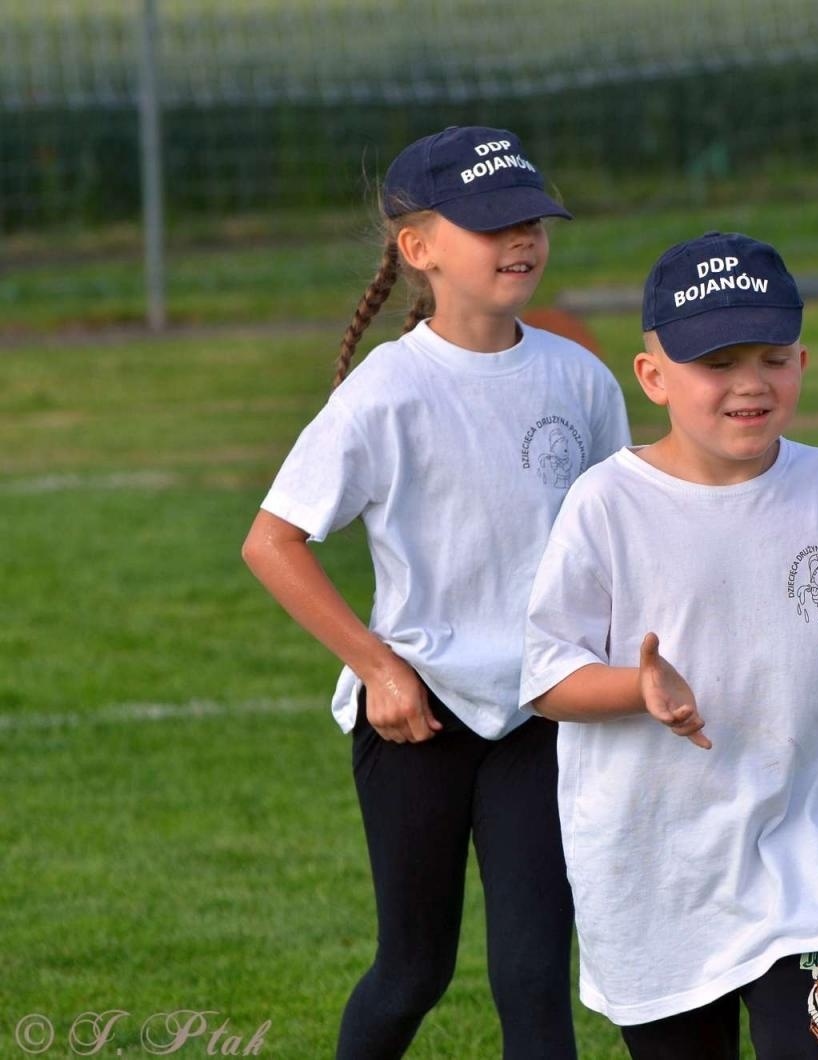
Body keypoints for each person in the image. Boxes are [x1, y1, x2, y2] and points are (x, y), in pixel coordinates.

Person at [241, 125, 630, 1059]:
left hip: (544, 714)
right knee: (414, 972)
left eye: (531, 218)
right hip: (416, 721)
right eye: (491, 223)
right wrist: (378, 668)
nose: (521, 238)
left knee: (535, 982)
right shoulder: (388, 391)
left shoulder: (579, 378)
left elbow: (623, 536)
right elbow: (273, 542)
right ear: (418, 250)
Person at [519, 231, 818, 1059]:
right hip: (656, 872)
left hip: (810, 857)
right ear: (653, 378)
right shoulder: (607, 504)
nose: (750, 383)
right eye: (718, 363)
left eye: (772, 358)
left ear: (802, 360)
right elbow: (546, 677)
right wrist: (633, 690)